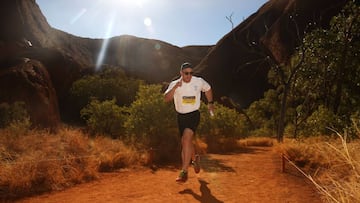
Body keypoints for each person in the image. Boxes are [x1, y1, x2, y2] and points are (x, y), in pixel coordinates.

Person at [164, 62, 214, 183]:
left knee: (186, 139)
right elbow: (166, 99)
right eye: (186, 73)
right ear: (181, 73)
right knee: (187, 142)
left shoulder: (198, 81)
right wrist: (176, 87)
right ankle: (194, 159)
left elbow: (208, 89)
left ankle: (184, 172)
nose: (189, 76)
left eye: (191, 73)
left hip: (193, 115)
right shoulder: (174, 84)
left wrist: (210, 103)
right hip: (181, 116)